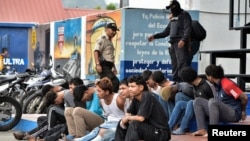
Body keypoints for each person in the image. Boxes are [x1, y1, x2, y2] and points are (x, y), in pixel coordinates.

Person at [13, 77, 83, 141]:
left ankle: (38, 137)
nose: (71, 90)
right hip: (67, 117)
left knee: (52, 110)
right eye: (70, 88)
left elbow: (75, 110)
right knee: (43, 119)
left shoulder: (68, 94)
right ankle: (28, 135)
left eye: (72, 88)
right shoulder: (67, 94)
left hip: (71, 118)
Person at [191, 64, 248, 136]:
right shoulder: (217, 84)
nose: (207, 78)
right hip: (223, 111)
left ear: (211, 77)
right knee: (197, 101)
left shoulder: (227, 85)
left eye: (207, 76)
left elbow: (244, 97)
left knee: (213, 101)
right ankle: (201, 129)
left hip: (233, 114)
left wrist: (243, 111)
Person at [114, 75, 171, 141]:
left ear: (141, 87)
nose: (129, 89)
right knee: (121, 123)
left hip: (161, 133)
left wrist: (128, 118)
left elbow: (141, 118)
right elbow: (128, 113)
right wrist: (124, 121)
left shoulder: (146, 96)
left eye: (132, 86)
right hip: (149, 129)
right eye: (129, 86)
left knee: (134, 124)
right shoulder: (136, 98)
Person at [148, 0, 192, 82]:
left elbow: (188, 29)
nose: (171, 10)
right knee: (175, 64)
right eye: (170, 8)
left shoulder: (184, 15)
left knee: (182, 63)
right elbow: (166, 32)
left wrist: (183, 40)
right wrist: (154, 36)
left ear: (176, 7)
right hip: (173, 44)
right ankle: (176, 81)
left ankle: (184, 82)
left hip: (180, 43)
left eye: (172, 8)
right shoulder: (173, 19)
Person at [168, 67, 215, 135]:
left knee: (191, 103)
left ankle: (183, 128)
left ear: (187, 80)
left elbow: (213, 102)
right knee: (180, 104)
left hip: (209, 109)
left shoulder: (206, 86)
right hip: (198, 106)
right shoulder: (194, 85)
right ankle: (168, 127)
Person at [94, 22, 120, 93]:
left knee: (105, 85)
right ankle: (110, 98)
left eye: (115, 31)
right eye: (112, 30)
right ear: (107, 29)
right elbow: (96, 51)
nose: (114, 32)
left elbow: (110, 56)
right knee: (115, 82)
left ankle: (104, 97)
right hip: (103, 65)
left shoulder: (109, 40)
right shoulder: (102, 39)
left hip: (109, 66)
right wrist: (98, 64)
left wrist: (114, 67)